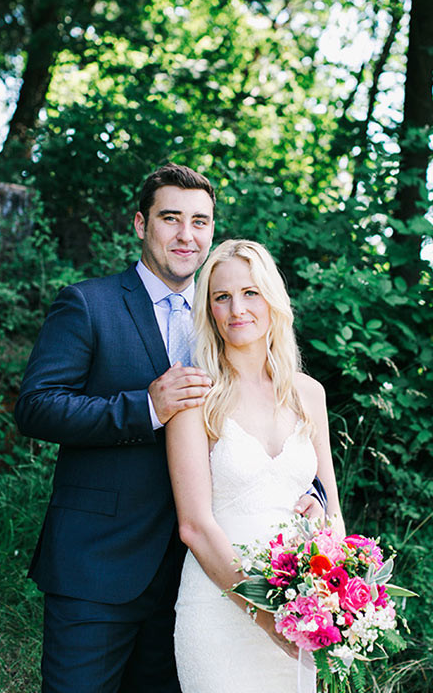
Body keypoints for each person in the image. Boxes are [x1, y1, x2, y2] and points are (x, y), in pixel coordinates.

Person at [14, 164, 323, 693]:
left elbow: (265, 422)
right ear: (141, 223)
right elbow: (36, 407)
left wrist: (309, 489)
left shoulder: (223, 310)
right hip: (100, 564)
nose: (186, 235)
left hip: (195, 576)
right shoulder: (90, 304)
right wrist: (146, 407)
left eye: (200, 222)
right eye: (170, 218)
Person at [167, 239, 345, 693]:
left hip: (300, 612)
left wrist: (330, 592)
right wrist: (265, 617)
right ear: (208, 310)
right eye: (221, 297)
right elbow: (194, 526)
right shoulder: (194, 397)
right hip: (218, 610)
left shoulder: (309, 394)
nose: (237, 309)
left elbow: (333, 513)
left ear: (273, 300)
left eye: (250, 293)